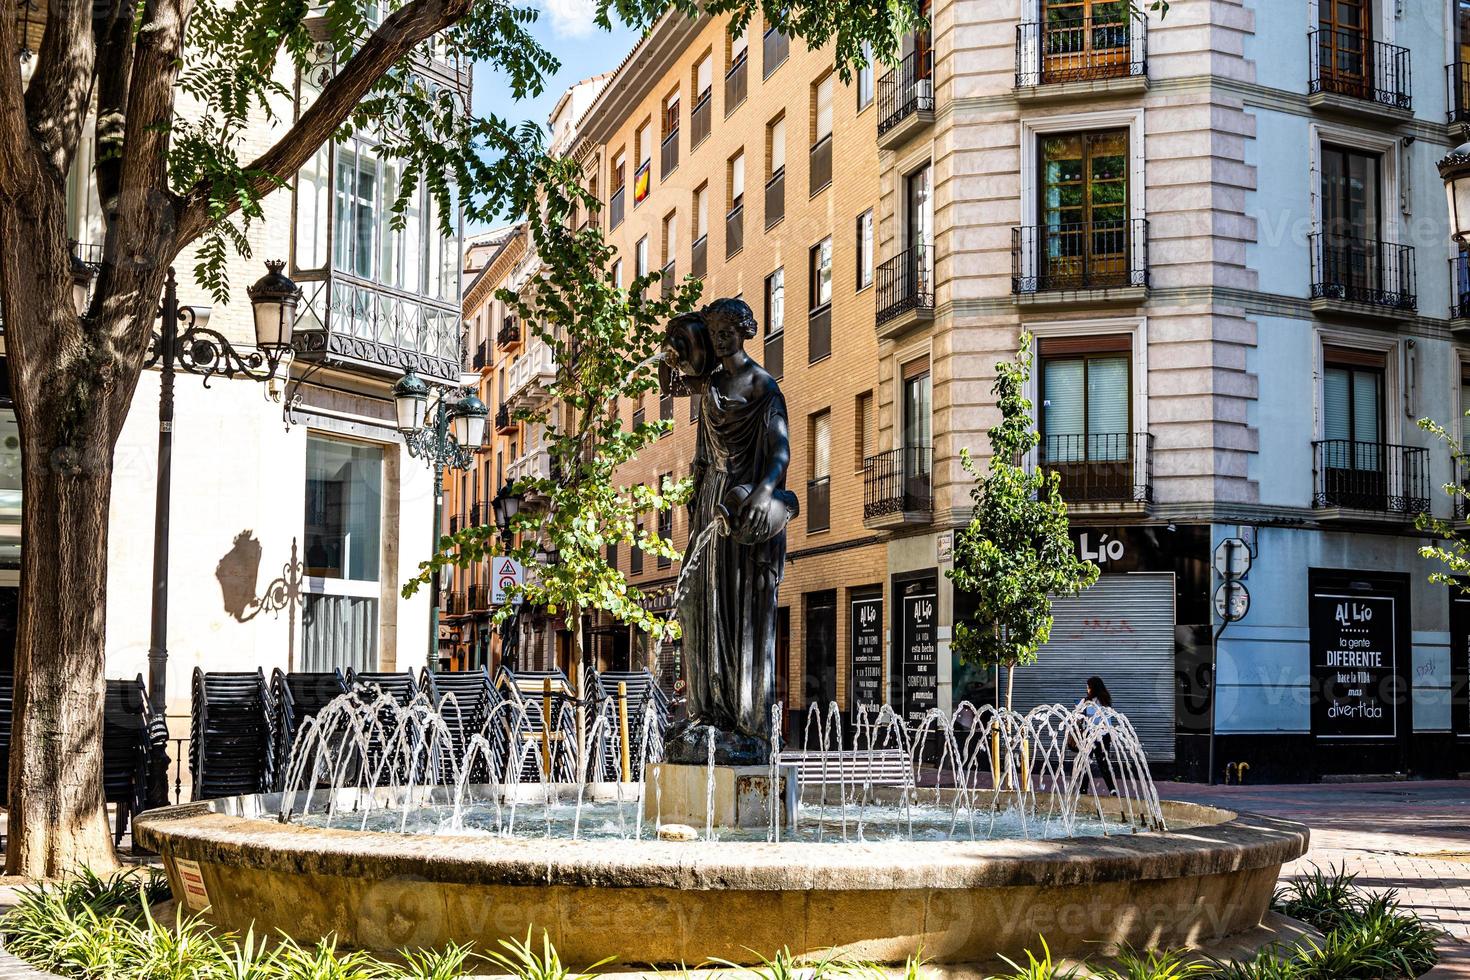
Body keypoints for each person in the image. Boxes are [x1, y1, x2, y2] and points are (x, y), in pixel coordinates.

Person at [1080, 675, 1118, 796]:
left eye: (1088, 687)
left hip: (1092, 735)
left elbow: (1087, 718)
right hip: (1105, 735)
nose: (1087, 689)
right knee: (1103, 764)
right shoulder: (1105, 700)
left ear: (1093, 688)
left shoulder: (1089, 701)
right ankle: (1112, 790)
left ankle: (1083, 789)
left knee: (1086, 762)